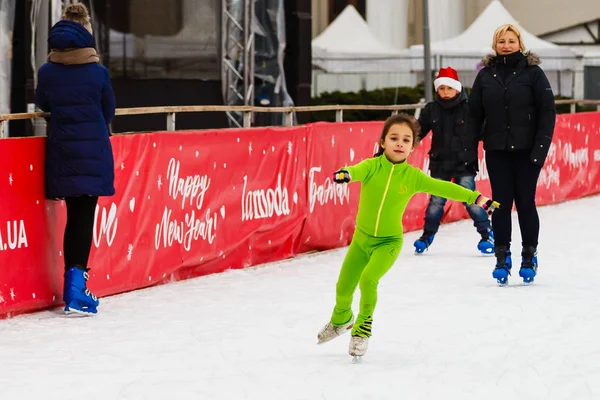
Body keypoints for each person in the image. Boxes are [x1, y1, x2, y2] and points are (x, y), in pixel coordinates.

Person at [317, 114, 499, 358]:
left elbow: (445, 187)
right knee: (343, 286)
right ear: (383, 142)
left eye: (406, 140)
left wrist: (476, 197)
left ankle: (361, 329)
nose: (399, 143)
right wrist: (345, 174)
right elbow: (356, 170)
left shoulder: (413, 177)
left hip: (388, 242)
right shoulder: (372, 167)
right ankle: (341, 319)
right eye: (394, 138)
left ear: (413, 147)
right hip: (361, 239)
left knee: (368, 280)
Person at [35, 3, 116, 314]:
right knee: (84, 219)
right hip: (93, 152)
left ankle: (74, 290)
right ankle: (75, 289)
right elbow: (108, 111)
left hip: (62, 151)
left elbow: (43, 103)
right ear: (87, 32)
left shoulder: (47, 71)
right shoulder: (98, 72)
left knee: (72, 219)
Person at [467, 24, 556, 286]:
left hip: (528, 152)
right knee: (501, 205)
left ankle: (529, 256)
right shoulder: (485, 76)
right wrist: (470, 151)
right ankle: (502, 257)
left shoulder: (534, 73)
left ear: (520, 43)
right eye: (501, 41)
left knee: (525, 203)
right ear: (495, 45)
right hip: (497, 151)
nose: (506, 45)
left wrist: (540, 151)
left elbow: (547, 113)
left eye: (511, 40)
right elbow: (473, 116)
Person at [414, 66, 493, 255]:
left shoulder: (471, 109)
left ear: (458, 89)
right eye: (441, 88)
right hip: (439, 163)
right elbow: (417, 133)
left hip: (464, 164)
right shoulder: (431, 110)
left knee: (470, 200)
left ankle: (487, 233)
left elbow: (485, 131)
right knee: (436, 202)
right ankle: (427, 235)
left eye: (449, 88)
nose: (445, 92)